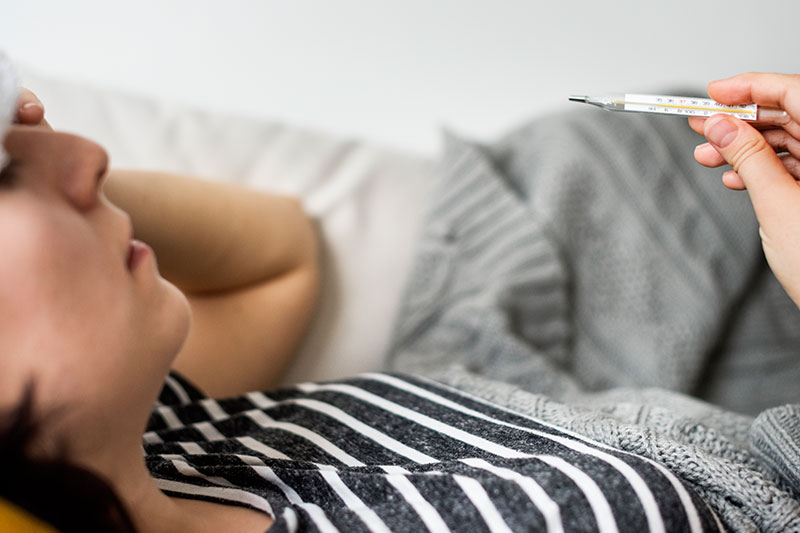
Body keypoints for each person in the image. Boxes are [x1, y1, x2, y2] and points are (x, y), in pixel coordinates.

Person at [0, 54, 795, 531]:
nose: (91, 153)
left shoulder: (148, 438)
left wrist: (62, 191)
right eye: (3, 176)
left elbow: (280, 260)